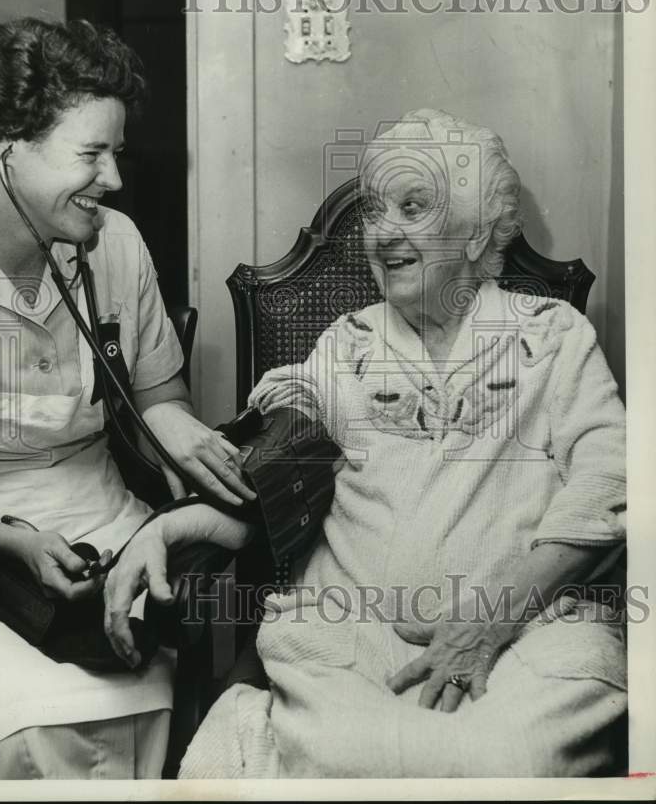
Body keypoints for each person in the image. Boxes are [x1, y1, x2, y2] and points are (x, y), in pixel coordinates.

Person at [105, 108, 627, 778]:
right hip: (356, 641)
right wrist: (169, 528)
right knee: (354, 757)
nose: (383, 233)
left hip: (523, 635)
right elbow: (276, 483)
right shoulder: (346, 347)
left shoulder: (551, 337)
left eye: (412, 207)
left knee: (510, 760)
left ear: (472, 231)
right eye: (376, 213)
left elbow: (609, 481)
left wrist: (490, 622)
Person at [0, 18, 255, 780]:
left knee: (131, 706)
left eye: (117, 152)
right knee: (16, 728)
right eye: (91, 154)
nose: (115, 178)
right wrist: (11, 543)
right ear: (5, 140)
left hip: (102, 533)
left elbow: (157, 395)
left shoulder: (117, 244)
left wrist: (188, 440)